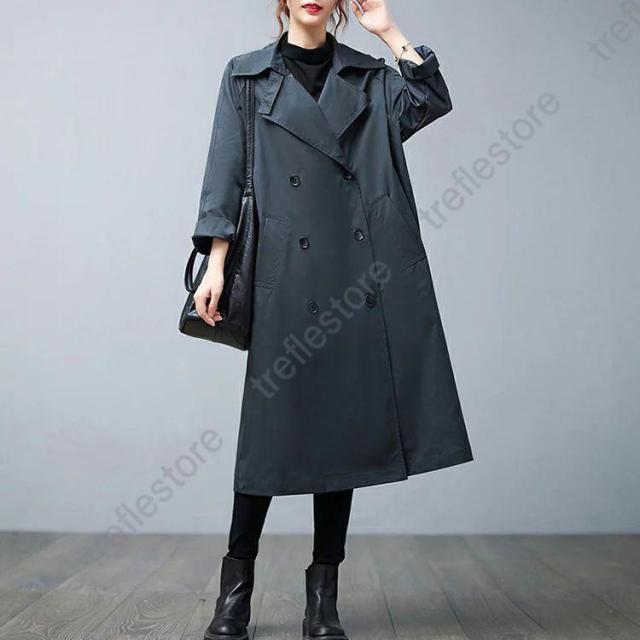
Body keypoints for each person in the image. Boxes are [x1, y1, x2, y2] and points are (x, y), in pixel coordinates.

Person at [190, 2, 473, 639]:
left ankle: (323, 599)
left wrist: (389, 32)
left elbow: (429, 100)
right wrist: (216, 264)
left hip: (354, 279)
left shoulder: (369, 77)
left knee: (341, 436)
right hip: (286, 278)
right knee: (267, 437)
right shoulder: (246, 77)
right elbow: (224, 173)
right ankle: (235, 593)